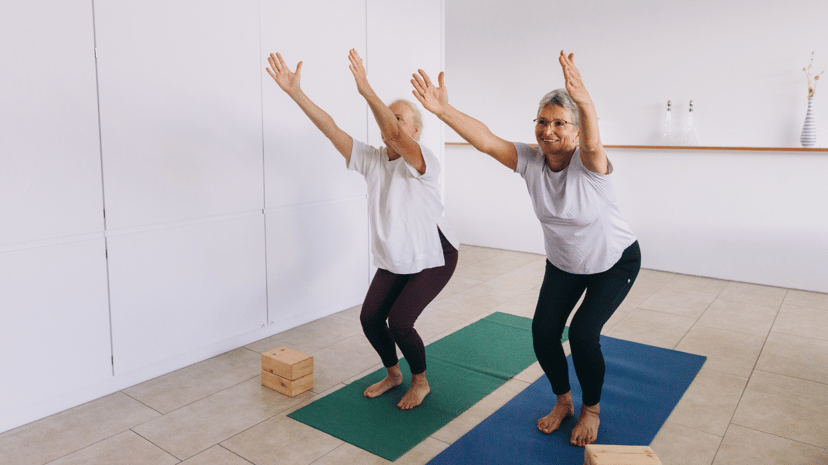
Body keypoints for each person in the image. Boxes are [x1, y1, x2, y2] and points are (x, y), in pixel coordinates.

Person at [411, 51, 640, 445]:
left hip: (613, 261)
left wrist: (583, 100)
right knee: (543, 333)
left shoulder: (590, 163)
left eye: (559, 123)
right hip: (565, 262)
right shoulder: (532, 160)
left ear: (578, 129)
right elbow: (485, 140)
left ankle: (592, 409)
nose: (548, 130)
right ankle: (564, 401)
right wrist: (442, 111)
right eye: (542, 121)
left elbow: (593, 139)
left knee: (584, 334)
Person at [266, 49, 459, 410]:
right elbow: (330, 129)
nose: (393, 125)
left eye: (401, 119)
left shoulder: (423, 160)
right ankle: (394, 374)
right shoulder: (372, 159)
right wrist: (295, 93)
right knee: (371, 319)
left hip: (436, 254)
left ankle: (420, 381)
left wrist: (367, 91)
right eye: (391, 118)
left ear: (415, 130)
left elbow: (397, 139)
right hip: (397, 254)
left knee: (401, 322)